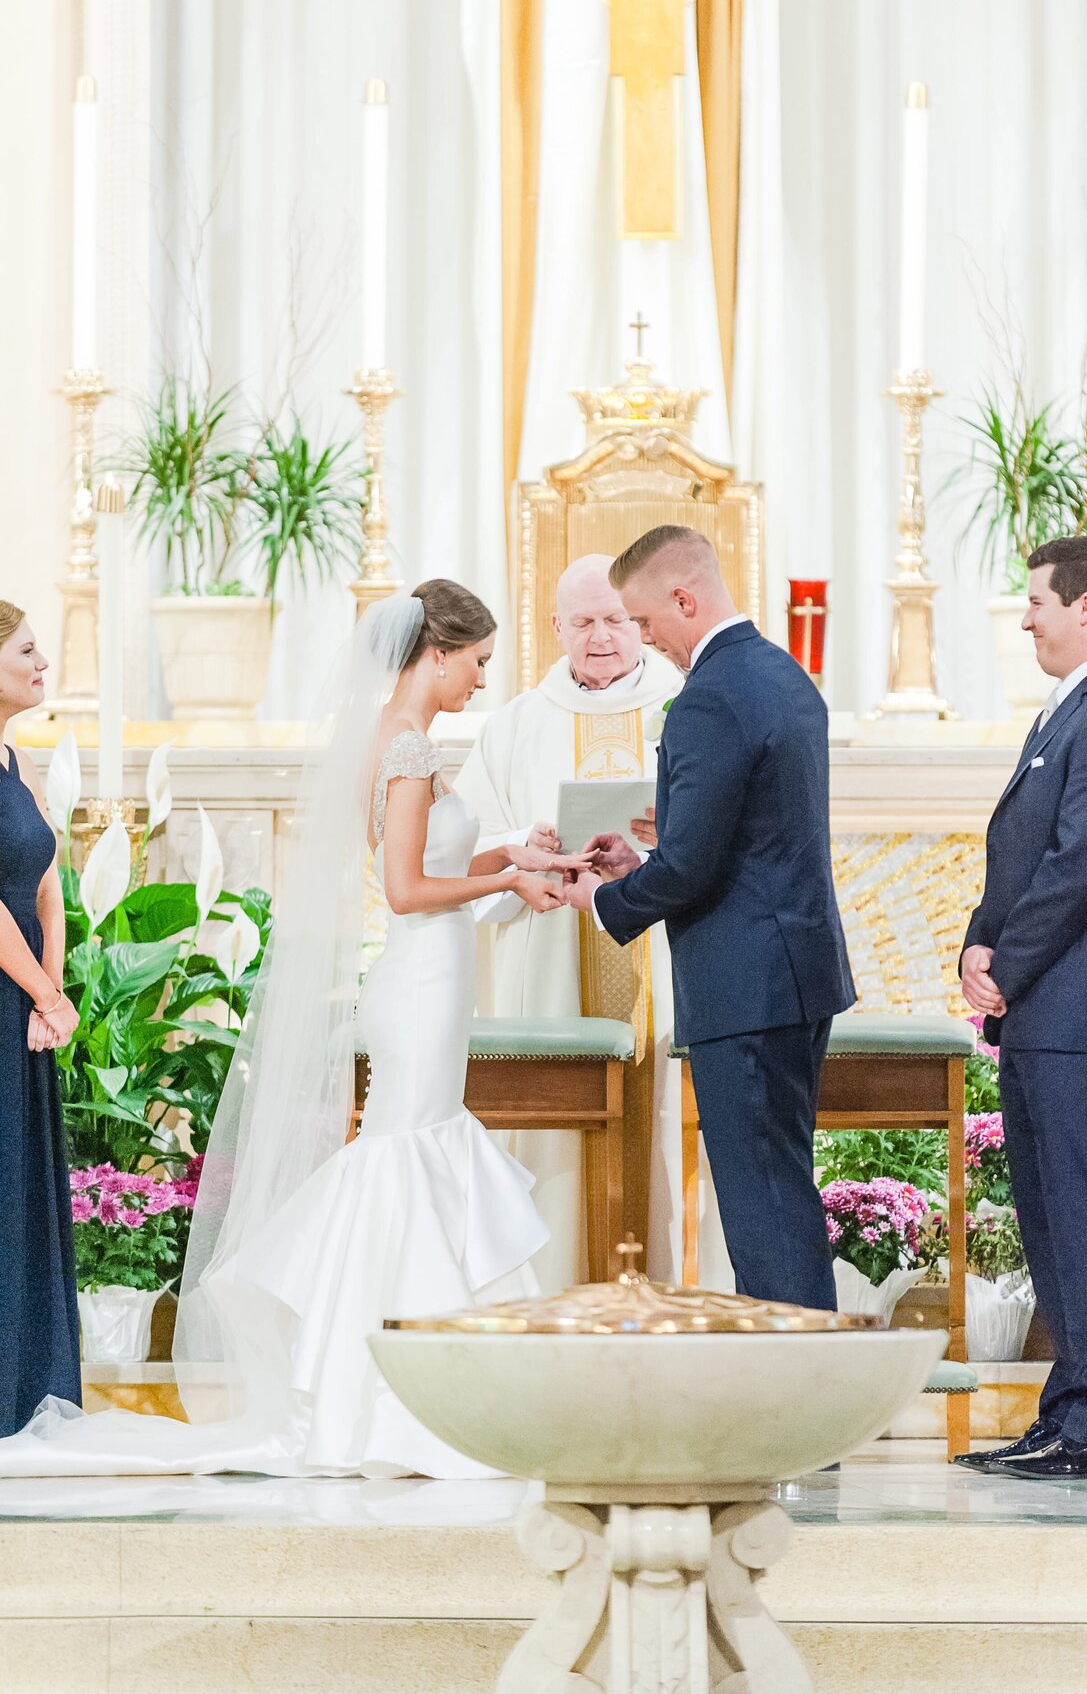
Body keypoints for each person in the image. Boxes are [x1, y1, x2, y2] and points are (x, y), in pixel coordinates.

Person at [0, 582, 586, 1478]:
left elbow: (430, 860)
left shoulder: (397, 737)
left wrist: (514, 853)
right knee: (408, 1162)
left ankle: (394, 1387)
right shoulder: (406, 745)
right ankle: (389, 1396)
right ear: (437, 653)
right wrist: (505, 883)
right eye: (475, 662)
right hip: (420, 982)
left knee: (416, 1161)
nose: (480, 680)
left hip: (434, 978)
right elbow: (405, 890)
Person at [560, 526, 856, 1308]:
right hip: (794, 976)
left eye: (648, 621)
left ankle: (797, 1399)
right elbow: (750, 834)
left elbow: (692, 870)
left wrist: (596, 895)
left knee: (762, 1207)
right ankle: (805, 1381)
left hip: (744, 988)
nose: (648, 639)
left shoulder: (709, 697)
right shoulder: (784, 675)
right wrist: (651, 857)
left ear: (683, 599)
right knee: (782, 1190)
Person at [956, 537, 1087, 1482]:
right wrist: (976, 937)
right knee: (1051, 1221)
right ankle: (1071, 1410)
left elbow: (1078, 865)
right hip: (1048, 1010)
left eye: (1038, 601)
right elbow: (1020, 851)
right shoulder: (1069, 710)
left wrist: (1007, 965)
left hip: (1084, 1011)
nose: (1028, 617)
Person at [455, 554, 700, 1287]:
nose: (601, 636)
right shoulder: (516, 726)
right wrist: (518, 852)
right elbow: (466, 844)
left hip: (663, 953)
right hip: (553, 955)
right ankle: (557, 1290)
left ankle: (676, 1294)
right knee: (560, 1141)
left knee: (666, 1115)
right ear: (555, 626)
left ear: (641, 623)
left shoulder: (687, 705)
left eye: (616, 620)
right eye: (584, 621)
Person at [0, 602, 82, 1437]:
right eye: (27, 650)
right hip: (8, 992)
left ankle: (24, 1379)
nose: (43, 662)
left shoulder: (15, 758)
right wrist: (42, 992)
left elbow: (47, 883)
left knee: (19, 1182)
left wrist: (49, 993)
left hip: (21, 1004)